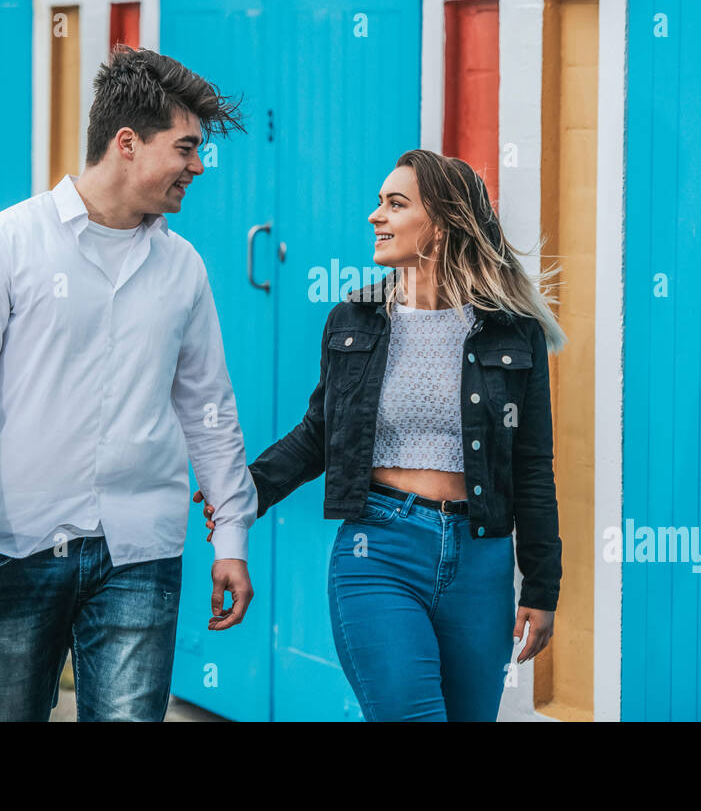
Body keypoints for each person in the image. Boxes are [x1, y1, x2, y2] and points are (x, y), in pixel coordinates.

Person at [0, 45, 258, 721]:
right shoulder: (3, 244)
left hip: (143, 551)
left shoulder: (182, 267)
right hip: (17, 547)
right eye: (186, 147)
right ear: (127, 143)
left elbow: (210, 409)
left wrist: (233, 540)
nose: (198, 166)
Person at [197, 148, 566, 721]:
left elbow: (533, 466)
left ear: (442, 227)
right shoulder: (354, 321)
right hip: (380, 548)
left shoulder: (512, 333)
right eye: (378, 202)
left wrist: (541, 586)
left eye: (396, 204)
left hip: (482, 559)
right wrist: (243, 492)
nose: (376, 216)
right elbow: (321, 433)